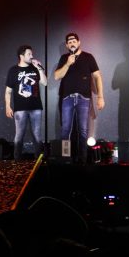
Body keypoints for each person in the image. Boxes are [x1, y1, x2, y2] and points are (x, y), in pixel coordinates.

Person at [53, 32, 104, 162]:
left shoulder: (88, 57)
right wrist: (67, 64)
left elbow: (97, 76)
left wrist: (100, 97)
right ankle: (65, 157)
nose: (72, 43)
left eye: (74, 41)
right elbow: (57, 76)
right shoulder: (64, 58)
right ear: (67, 45)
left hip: (83, 98)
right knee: (65, 130)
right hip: (67, 98)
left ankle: (83, 158)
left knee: (83, 130)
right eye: (69, 42)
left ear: (79, 42)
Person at [4, 45, 47, 159]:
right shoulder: (13, 70)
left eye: (32, 54)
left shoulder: (35, 68)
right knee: (19, 136)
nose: (32, 56)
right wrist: (8, 106)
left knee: (37, 136)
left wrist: (39, 68)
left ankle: (39, 161)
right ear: (21, 56)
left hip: (36, 107)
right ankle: (17, 161)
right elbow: (8, 91)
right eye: (29, 54)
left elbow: (45, 83)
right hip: (20, 108)